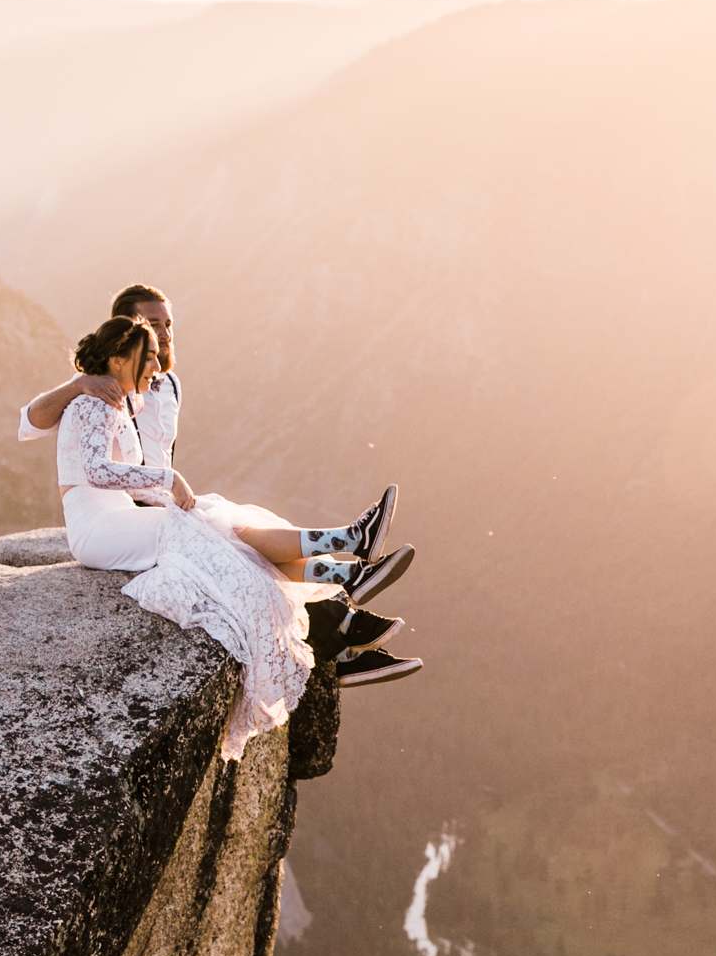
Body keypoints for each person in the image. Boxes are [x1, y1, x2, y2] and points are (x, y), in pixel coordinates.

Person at [24, 284, 420, 687]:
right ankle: (343, 595)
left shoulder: (165, 386)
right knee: (227, 543)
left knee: (232, 527)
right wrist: (80, 386)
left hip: (149, 503)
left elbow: (156, 454)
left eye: (167, 325)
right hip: (133, 507)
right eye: (152, 329)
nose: (163, 335)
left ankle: (344, 595)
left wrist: (173, 491)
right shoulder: (98, 390)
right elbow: (49, 433)